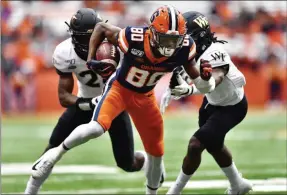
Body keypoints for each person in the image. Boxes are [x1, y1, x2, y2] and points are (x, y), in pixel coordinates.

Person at [31, 5, 216, 194]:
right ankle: (50, 161)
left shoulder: (184, 48)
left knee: (152, 154)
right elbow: (101, 30)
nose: (170, 46)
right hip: (117, 92)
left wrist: (206, 79)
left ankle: (150, 187)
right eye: (166, 39)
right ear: (152, 33)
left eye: (174, 40)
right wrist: (91, 60)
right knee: (85, 133)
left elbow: (203, 86)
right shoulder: (131, 38)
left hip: (144, 97)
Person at [24, 8, 145, 195]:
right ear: (73, 36)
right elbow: (64, 97)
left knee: (127, 164)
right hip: (86, 101)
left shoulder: (118, 46)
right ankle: (30, 191)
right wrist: (89, 103)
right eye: (85, 37)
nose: (91, 41)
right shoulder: (65, 52)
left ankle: (145, 161)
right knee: (51, 150)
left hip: (115, 104)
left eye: (95, 35)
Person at [160, 11, 253, 195]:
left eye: (185, 36)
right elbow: (179, 73)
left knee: (195, 145)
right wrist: (169, 91)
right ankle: (238, 185)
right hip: (210, 105)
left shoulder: (215, 53)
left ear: (198, 36)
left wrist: (190, 90)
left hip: (232, 107)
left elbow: (213, 81)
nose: (181, 41)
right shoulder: (189, 53)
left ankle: (174, 191)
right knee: (214, 145)